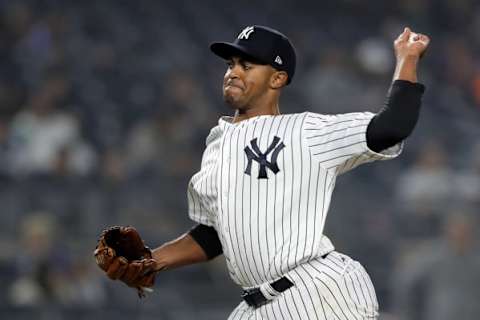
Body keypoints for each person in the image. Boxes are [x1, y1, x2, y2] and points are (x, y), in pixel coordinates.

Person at [99, 25, 429, 319]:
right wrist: (153, 261)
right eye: (230, 64)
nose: (233, 72)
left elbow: (392, 126)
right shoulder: (216, 145)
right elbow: (215, 234)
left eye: (247, 64)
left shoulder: (304, 131)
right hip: (258, 305)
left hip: (317, 291)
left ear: (277, 78)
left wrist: (407, 59)